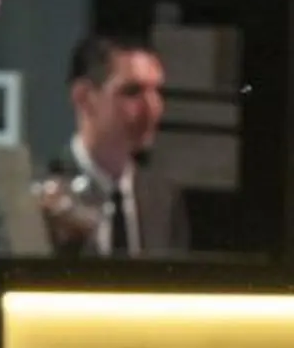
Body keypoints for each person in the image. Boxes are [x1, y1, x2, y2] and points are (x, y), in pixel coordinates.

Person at [42, 34, 188, 257]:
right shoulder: (43, 194)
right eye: (132, 92)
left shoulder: (163, 199)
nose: (153, 107)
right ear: (84, 97)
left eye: (157, 91)